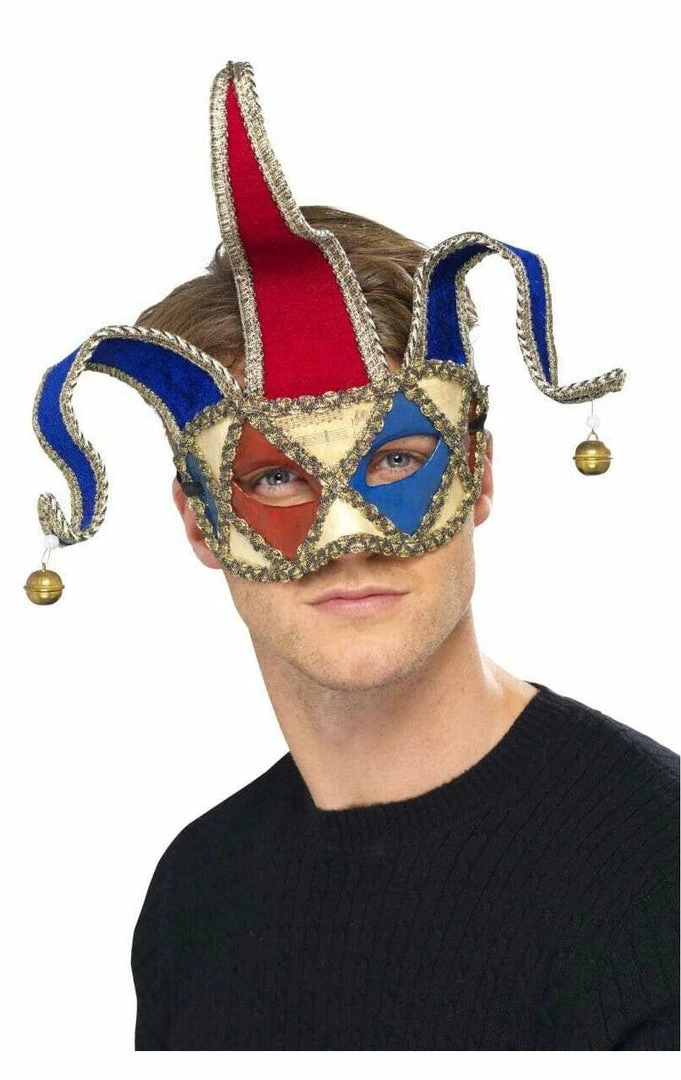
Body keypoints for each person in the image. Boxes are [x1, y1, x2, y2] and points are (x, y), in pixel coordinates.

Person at [27, 62, 679, 1050]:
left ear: (478, 477)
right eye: (275, 479)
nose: (348, 540)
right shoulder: (196, 902)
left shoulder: (656, 874)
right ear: (200, 523)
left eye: (398, 462)